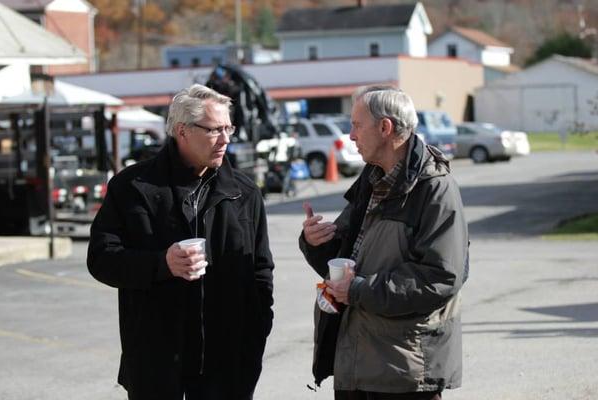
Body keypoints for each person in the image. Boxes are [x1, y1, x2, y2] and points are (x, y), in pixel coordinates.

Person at [87, 84, 274, 400]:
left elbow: (261, 272)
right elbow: (102, 259)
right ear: (182, 131)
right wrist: (162, 264)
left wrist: (254, 340)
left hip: (226, 367)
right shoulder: (133, 187)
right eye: (214, 130)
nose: (226, 139)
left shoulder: (243, 192)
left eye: (228, 128)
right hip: (155, 365)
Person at [299, 85, 468, 400]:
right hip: (357, 363)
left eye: (356, 125)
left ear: (385, 128)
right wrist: (316, 242)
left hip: (405, 370)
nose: (350, 135)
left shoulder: (435, 190)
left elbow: (440, 278)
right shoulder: (372, 180)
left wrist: (359, 290)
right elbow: (345, 260)